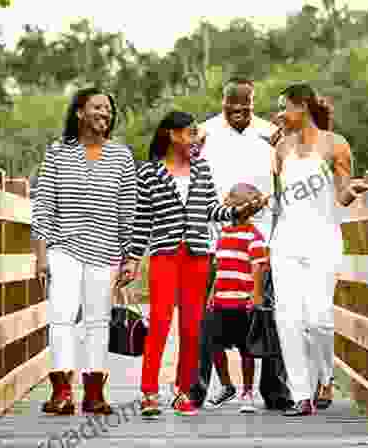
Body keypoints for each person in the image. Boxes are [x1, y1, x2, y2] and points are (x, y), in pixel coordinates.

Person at [122, 111, 268, 418]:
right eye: (191, 134)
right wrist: (133, 260)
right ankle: (149, 392)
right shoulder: (148, 172)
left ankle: (183, 391)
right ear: (173, 135)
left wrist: (240, 211)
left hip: (199, 257)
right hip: (165, 256)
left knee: (192, 328)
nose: (196, 140)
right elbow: (142, 220)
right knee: (160, 324)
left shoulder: (202, 169)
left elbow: (211, 210)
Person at [189, 77, 294, 412]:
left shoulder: (269, 133)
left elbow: (288, 174)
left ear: (253, 101)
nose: (237, 110)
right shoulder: (204, 133)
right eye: (230, 104)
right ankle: (196, 389)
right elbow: (187, 174)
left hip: (259, 241)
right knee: (205, 320)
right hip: (214, 239)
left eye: (244, 105)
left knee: (267, 315)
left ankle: (275, 389)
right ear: (222, 102)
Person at [30, 87, 136, 416]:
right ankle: (62, 392)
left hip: (105, 250)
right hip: (65, 246)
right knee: (61, 316)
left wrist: (130, 256)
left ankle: (94, 393)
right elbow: (44, 205)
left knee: (98, 320)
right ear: (79, 113)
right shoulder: (58, 153)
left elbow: (128, 209)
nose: (104, 114)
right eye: (97, 108)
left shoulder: (121, 156)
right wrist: (41, 253)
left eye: (108, 109)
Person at [270, 83, 368, 416]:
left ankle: (325, 377)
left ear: (302, 107)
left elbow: (341, 195)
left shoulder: (335, 143)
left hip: (322, 239)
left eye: (284, 107)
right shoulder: (281, 148)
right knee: (287, 317)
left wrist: (353, 189)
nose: (279, 113)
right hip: (285, 242)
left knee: (318, 319)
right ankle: (301, 395)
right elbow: (280, 201)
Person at [203, 183, 268, 413]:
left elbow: (258, 267)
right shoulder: (224, 234)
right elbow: (219, 266)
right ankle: (227, 385)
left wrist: (256, 295)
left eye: (230, 195)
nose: (225, 198)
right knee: (214, 344)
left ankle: (248, 391)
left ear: (240, 205)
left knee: (245, 349)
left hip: (243, 302)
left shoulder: (254, 236)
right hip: (221, 300)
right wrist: (212, 294)